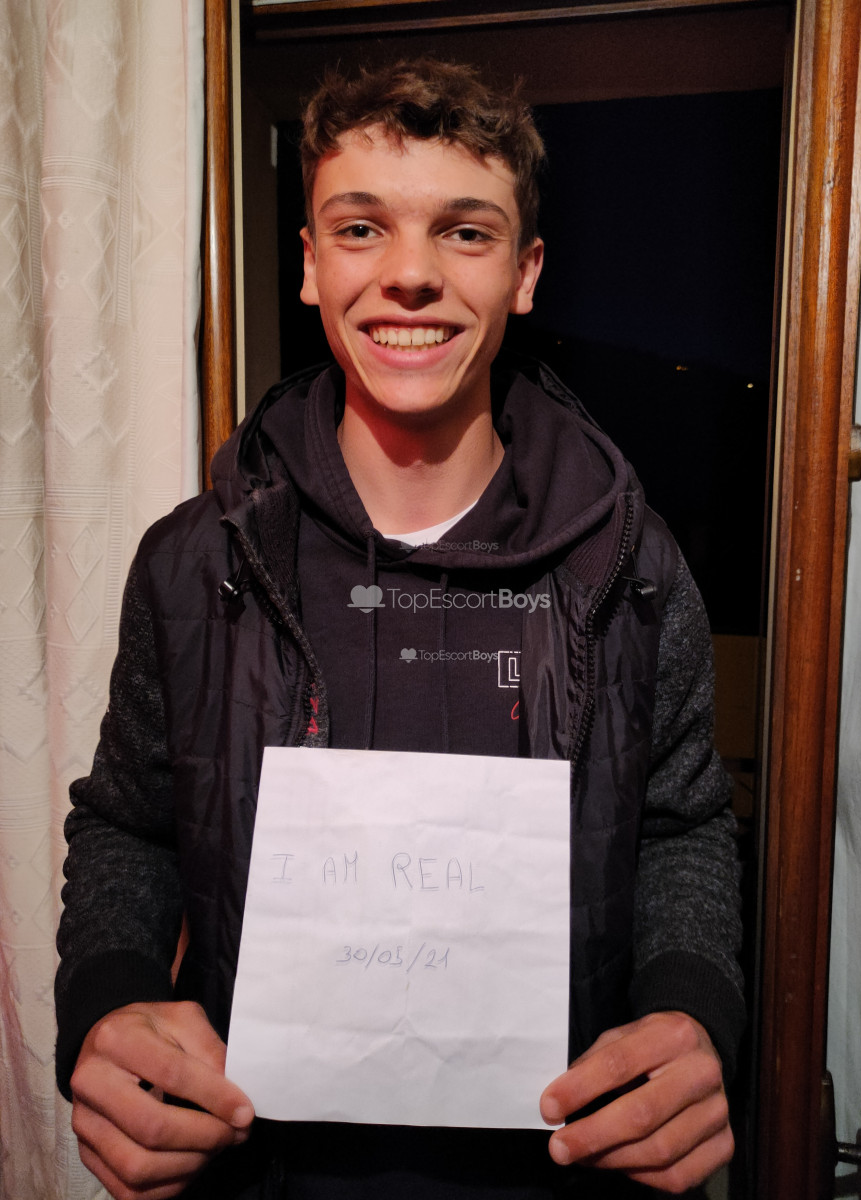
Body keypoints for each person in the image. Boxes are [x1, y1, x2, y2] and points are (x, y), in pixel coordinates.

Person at [56, 57, 744, 1200]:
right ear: (310, 264)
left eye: (465, 233)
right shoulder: (196, 561)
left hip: (555, 1172)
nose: (410, 275)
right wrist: (108, 999)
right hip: (256, 1173)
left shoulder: (633, 567)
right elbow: (128, 822)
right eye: (362, 228)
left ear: (525, 274)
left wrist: (694, 1004)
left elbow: (683, 824)